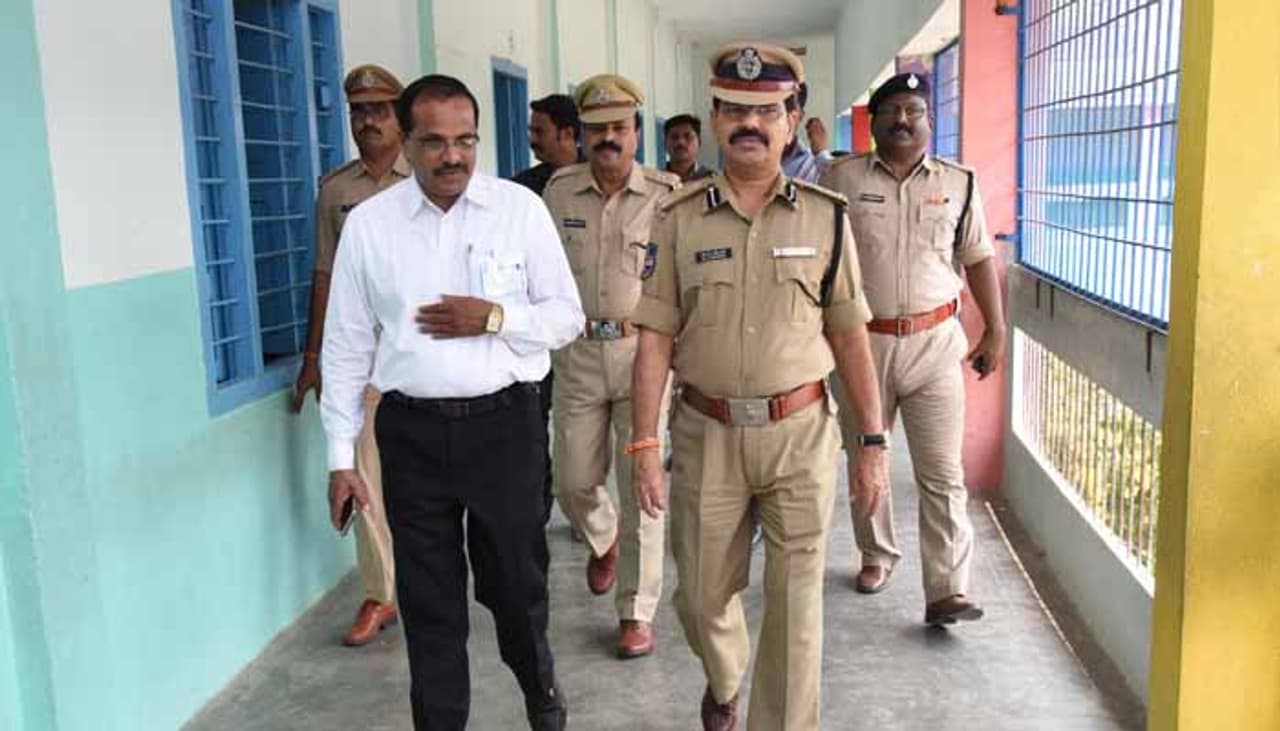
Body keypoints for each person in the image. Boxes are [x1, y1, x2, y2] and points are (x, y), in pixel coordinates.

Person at [630, 43, 889, 730]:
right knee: (699, 597)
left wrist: (871, 443)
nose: (750, 123)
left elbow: (850, 335)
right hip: (706, 433)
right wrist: (644, 443)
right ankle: (725, 674)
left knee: (797, 609)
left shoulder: (827, 216)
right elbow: (654, 336)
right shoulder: (676, 217)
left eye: (767, 111)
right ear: (715, 118)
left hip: (800, 436)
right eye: (735, 110)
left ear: (791, 119)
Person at [320, 74, 583, 730]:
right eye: (434, 142)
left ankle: (541, 691)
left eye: (465, 140)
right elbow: (346, 344)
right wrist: (340, 456)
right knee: (429, 600)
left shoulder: (518, 211)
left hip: (505, 428)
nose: (452, 156)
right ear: (406, 143)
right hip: (411, 434)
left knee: (515, 587)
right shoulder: (370, 227)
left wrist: (494, 317)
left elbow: (566, 316)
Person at [818, 72, 1006, 627]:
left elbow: (977, 258)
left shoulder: (958, 182)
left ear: (929, 120)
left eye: (913, 110)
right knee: (866, 457)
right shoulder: (841, 179)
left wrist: (995, 329)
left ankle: (947, 589)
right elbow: (820, 259)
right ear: (874, 122)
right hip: (862, 345)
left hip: (934, 345)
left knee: (943, 472)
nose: (903, 119)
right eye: (892, 110)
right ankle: (875, 554)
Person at [542, 75, 679, 660]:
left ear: (636, 133)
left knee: (641, 480)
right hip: (575, 353)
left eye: (619, 127)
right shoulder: (558, 193)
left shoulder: (667, 195)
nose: (608, 138)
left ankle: (636, 611)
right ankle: (604, 536)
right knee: (571, 479)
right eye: (597, 128)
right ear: (581, 133)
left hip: (641, 354)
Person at [292, 63, 409, 647]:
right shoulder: (336, 191)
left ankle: (435, 573)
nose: (368, 122)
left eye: (379, 111)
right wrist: (314, 355)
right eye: (358, 112)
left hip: (421, 357)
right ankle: (381, 591)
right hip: (362, 359)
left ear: (400, 117)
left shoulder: (427, 178)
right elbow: (325, 274)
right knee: (364, 474)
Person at [513, 93, 583, 195]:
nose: (532, 139)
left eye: (539, 132)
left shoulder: (597, 175)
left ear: (567, 134)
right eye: (531, 131)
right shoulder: (524, 186)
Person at [779, 82, 823, 182]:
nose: (783, 115)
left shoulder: (813, 166)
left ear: (799, 117)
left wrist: (821, 155)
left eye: (789, 106)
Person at [663, 114, 714, 182]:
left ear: (699, 143)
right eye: (674, 137)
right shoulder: (656, 180)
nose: (680, 142)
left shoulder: (712, 180)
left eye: (688, 137)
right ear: (665, 143)